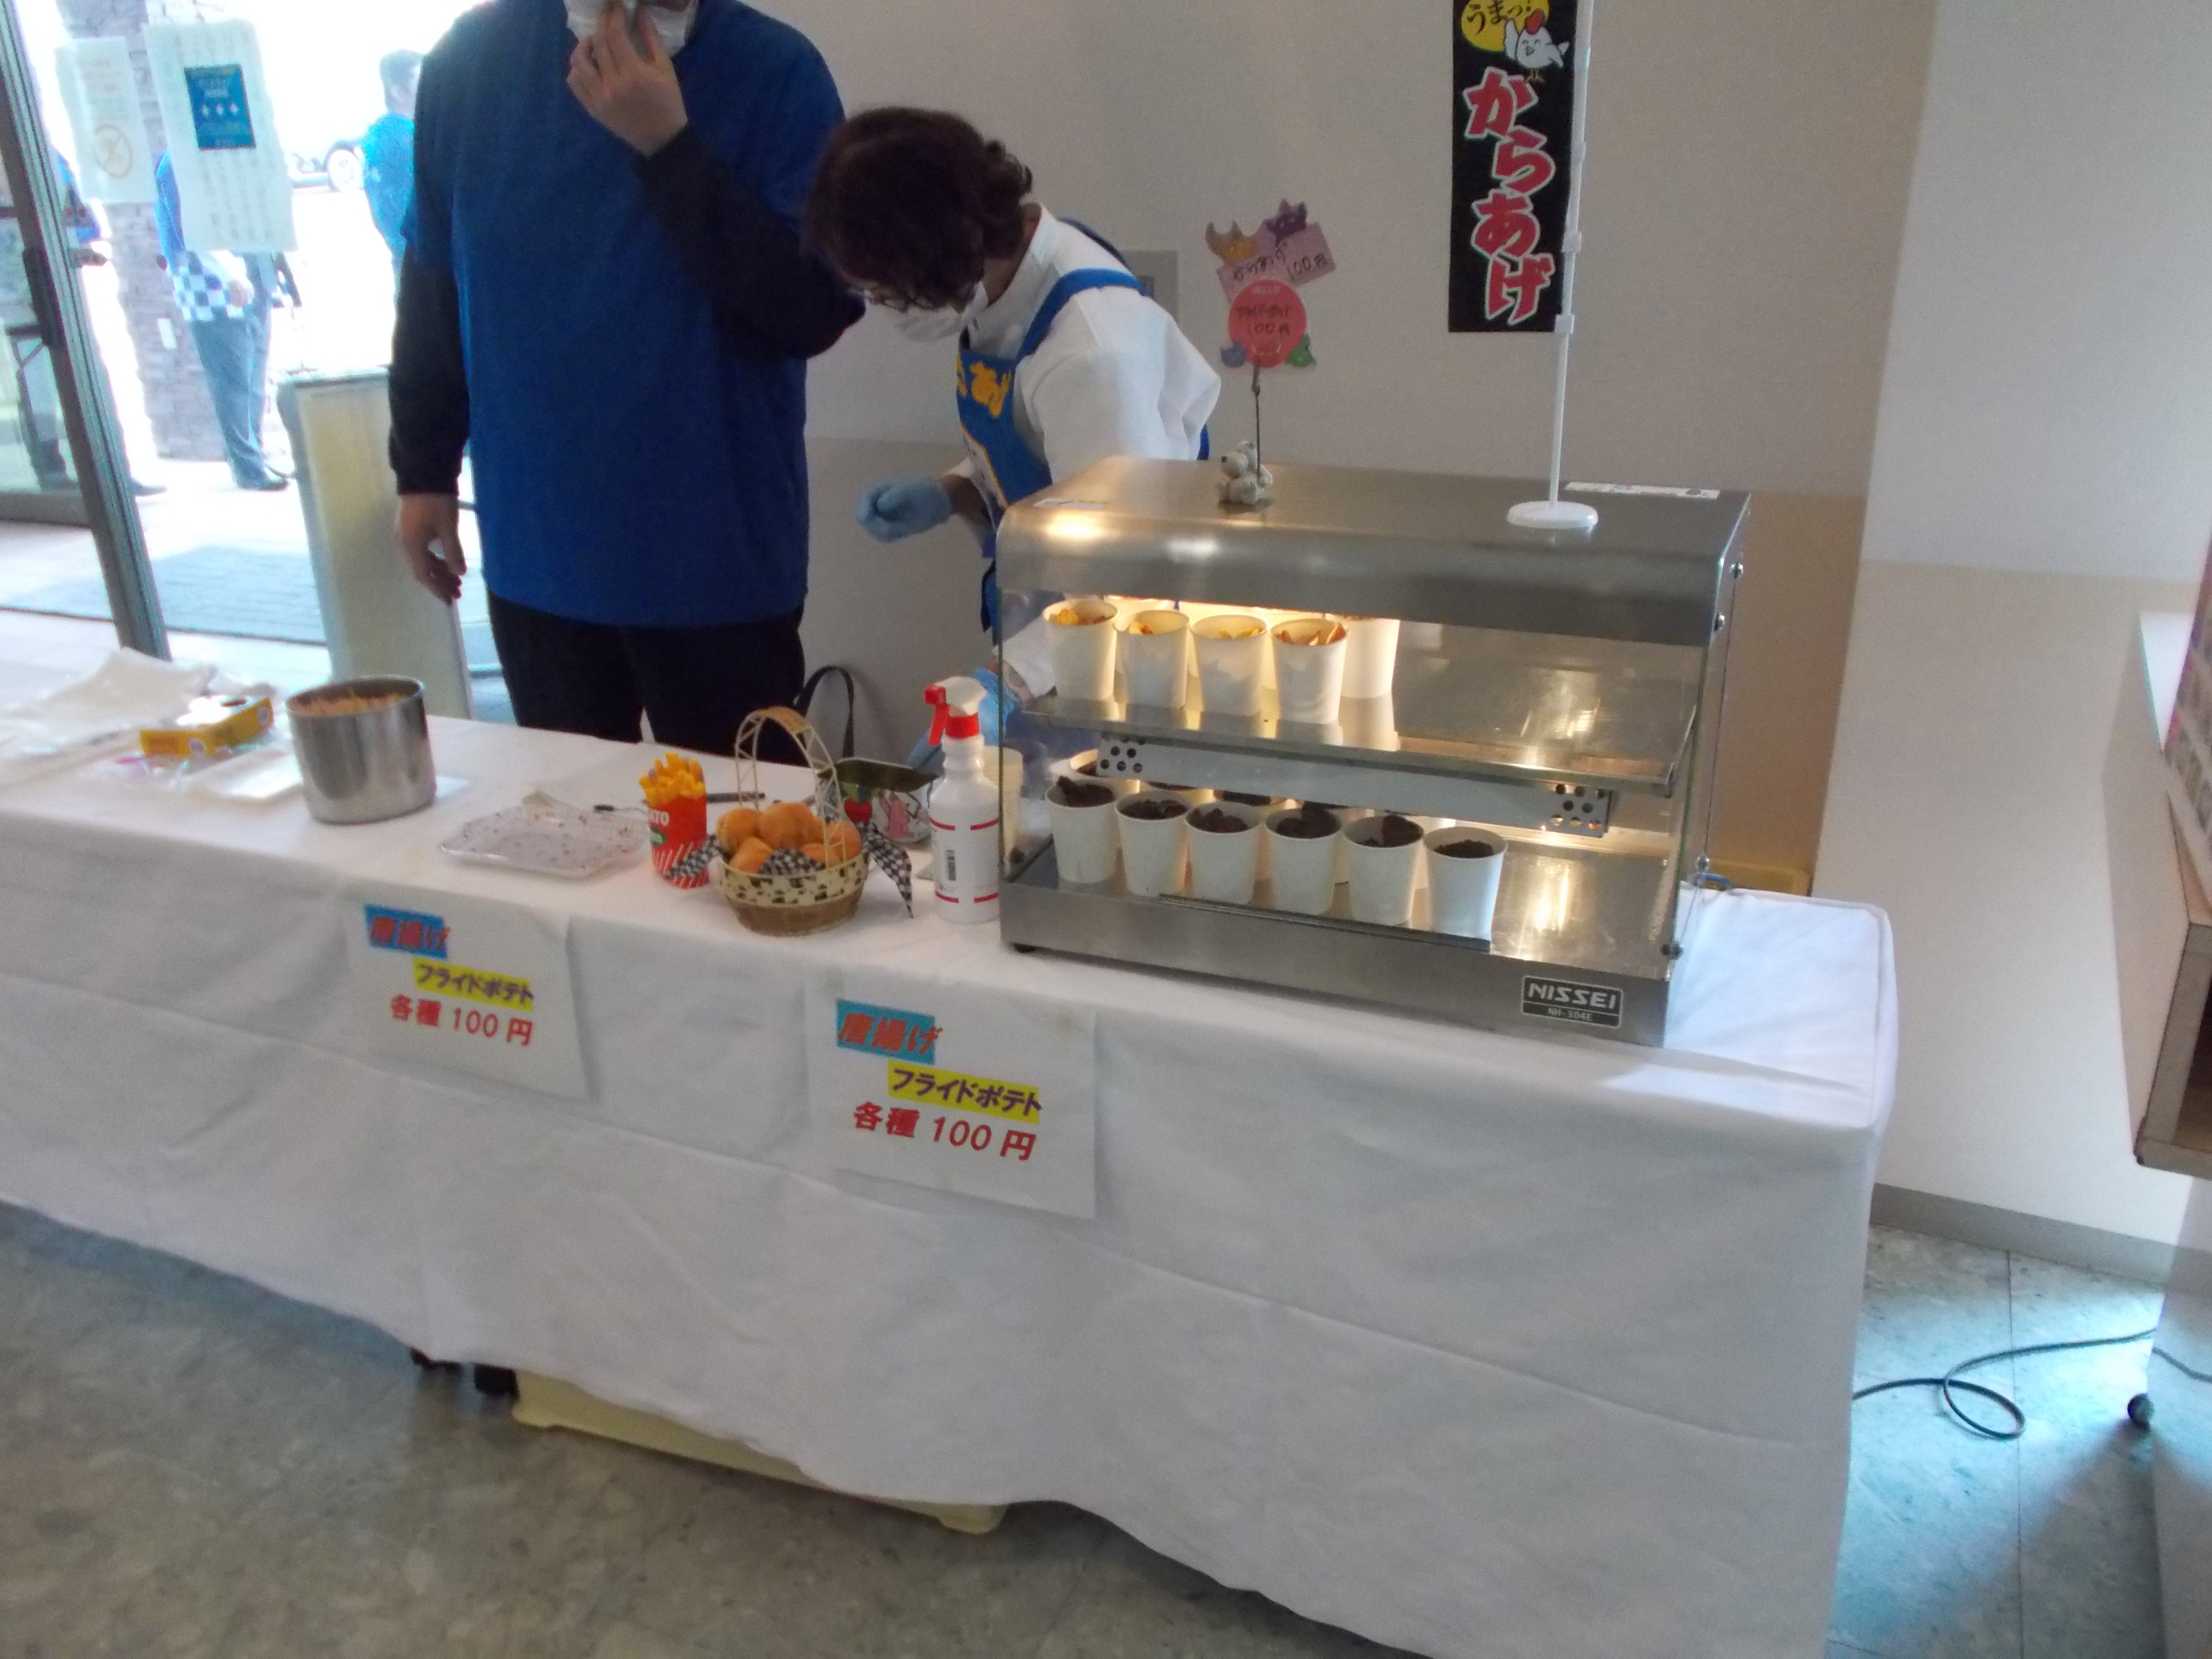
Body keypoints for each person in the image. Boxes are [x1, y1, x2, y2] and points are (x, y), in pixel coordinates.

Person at [389, 0, 861, 754]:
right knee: (569, 816)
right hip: (541, 547)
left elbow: (810, 310)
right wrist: (423, 469)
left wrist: (668, 147)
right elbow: (435, 280)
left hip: (713, 554)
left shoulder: (775, 73)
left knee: (746, 819)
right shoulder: (470, 66)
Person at [805, 108, 1219, 636]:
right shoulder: (1008, 279)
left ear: (942, 252)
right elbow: (1040, 443)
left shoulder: (1092, 355)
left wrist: (1016, 676)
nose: (884, 308)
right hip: (1047, 599)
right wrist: (954, 491)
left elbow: (1123, 592)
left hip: (1110, 636)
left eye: (886, 292)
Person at [152, 152, 288, 492]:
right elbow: (191, 225)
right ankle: (247, 465)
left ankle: (253, 456)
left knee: (253, 376)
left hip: (253, 271)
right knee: (233, 379)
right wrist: (229, 272)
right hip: (211, 283)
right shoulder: (178, 160)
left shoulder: (231, 151)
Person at [361, 50, 422, 278]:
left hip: (401, 256)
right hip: (425, 263)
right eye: (421, 80)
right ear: (397, 91)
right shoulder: (409, 139)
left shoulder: (376, 137)